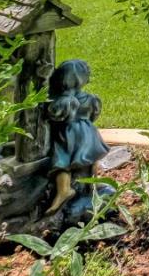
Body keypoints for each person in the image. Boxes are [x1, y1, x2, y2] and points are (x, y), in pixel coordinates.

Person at [43, 59, 108, 215]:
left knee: (62, 162)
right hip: (88, 132)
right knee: (91, 159)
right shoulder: (92, 99)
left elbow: (53, 116)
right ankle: (93, 183)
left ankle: (64, 190)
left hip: (68, 134)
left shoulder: (64, 101)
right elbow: (94, 115)